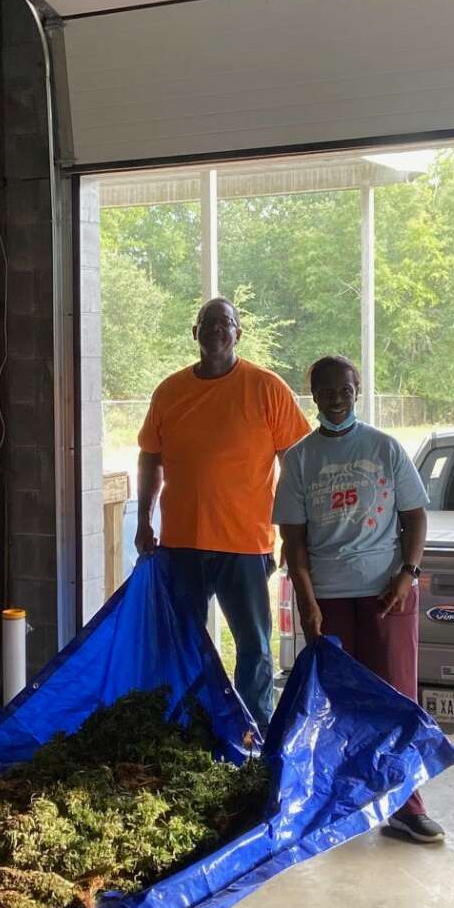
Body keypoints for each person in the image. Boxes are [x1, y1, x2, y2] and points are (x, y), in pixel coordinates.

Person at [274, 355, 446, 846]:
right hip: (328, 600)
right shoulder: (301, 459)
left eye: (344, 389)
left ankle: (406, 807)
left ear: (357, 389)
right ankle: (338, 806)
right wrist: (306, 602)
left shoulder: (385, 448)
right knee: (335, 706)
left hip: (386, 595)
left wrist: (408, 576)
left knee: (396, 701)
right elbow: (295, 541)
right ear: (313, 396)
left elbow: (415, 518)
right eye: (326, 390)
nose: (336, 398)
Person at [136, 298, 310, 730]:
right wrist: (143, 520)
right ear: (195, 332)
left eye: (225, 323)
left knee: (253, 646)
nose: (217, 330)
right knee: (183, 642)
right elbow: (150, 459)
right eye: (208, 323)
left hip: (244, 546)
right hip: (181, 545)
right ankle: (189, 724)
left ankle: (254, 732)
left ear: (238, 333)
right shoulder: (170, 392)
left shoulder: (267, 388)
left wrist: (294, 532)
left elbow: (296, 464)